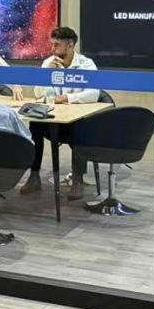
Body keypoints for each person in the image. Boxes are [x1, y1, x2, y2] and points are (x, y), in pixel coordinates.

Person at [21, 26, 98, 199]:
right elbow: (38, 93)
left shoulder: (86, 64)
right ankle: (34, 176)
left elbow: (94, 93)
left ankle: (77, 180)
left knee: (79, 128)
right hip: (53, 119)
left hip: (74, 122)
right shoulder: (49, 63)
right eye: (52, 44)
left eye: (57, 45)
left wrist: (67, 98)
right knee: (35, 125)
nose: (52, 48)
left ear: (70, 46)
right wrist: (48, 74)